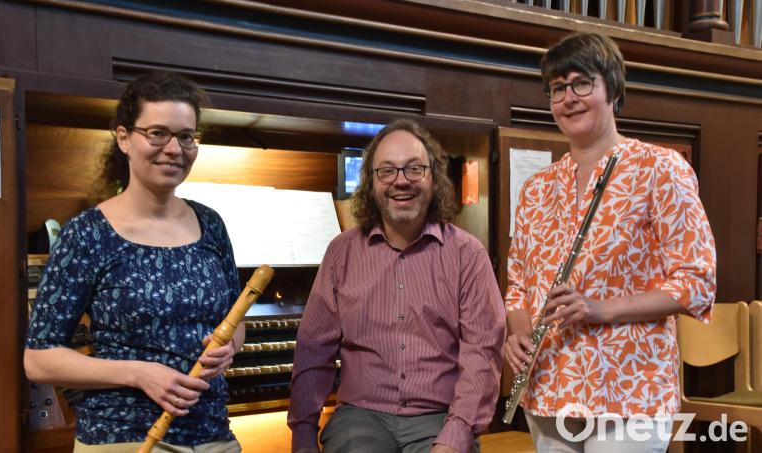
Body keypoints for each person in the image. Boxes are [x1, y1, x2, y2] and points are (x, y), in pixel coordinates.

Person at [503, 32, 716, 452]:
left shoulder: (660, 168)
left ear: (613, 90)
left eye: (582, 82)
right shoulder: (536, 187)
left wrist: (600, 310)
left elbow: (697, 279)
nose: (569, 97)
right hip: (550, 384)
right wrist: (518, 334)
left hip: (628, 385)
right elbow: (518, 286)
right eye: (557, 88)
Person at [24, 71, 244, 453]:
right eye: (158, 133)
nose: (175, 148)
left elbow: (233, 320)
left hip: (212, 434)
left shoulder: (211, 223)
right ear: (124, 138)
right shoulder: (88, 233)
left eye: (187, 136)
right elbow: (39, 361)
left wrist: (230, 346)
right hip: (125, 435)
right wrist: (141, 374)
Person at [287, 119, 506, 453]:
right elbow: (313, 349)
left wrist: (455, 435)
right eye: (387, 171)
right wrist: (303, 435)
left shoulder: (467, 254)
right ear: (371, 183)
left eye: (414, 169)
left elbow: (483, 353)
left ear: (433, 176)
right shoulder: (342, 252)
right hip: (361, 418)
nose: (401, 181)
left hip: (440, 417)